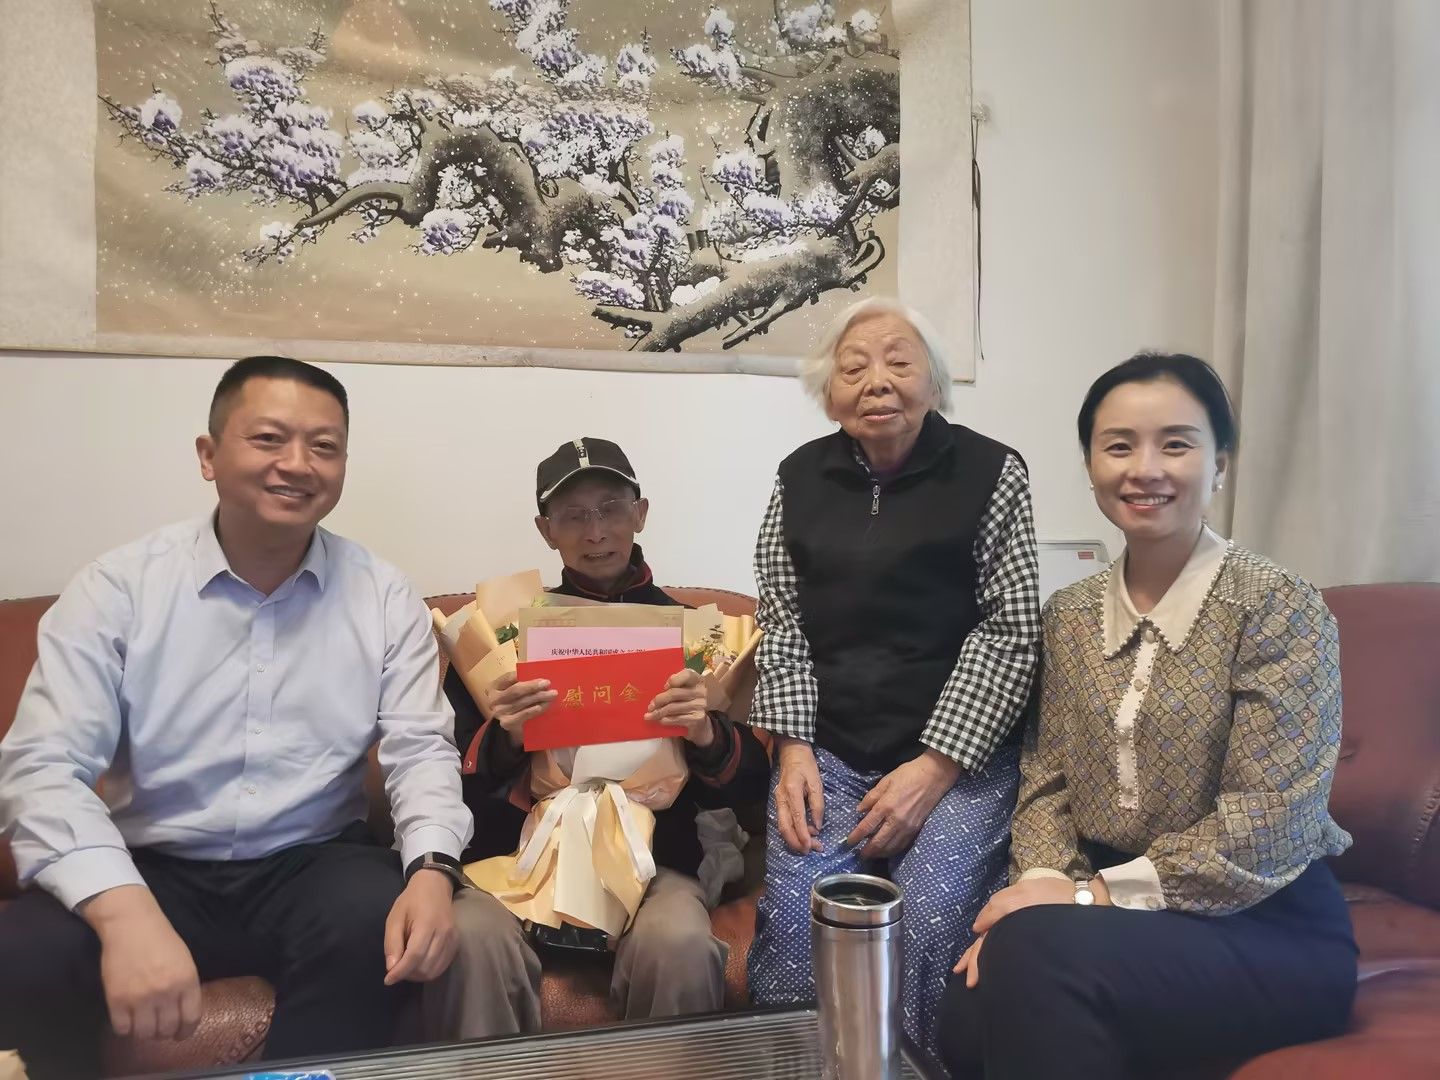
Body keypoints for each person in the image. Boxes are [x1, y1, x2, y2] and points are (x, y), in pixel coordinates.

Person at [0, 356, 473, 1079]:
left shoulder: (382, 595)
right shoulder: (117, 588)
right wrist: (123, 912)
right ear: (208, 455)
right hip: (152, 864)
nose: (298, 464)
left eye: (324, 446)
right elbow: (43, 767)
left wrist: (433, 870)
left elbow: (421, 750)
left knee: (370, 920)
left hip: (311, 861)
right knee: (27, 953)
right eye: (269, 439)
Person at [938, 353, 1357, 1078]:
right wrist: (1041, 887)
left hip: (1266, 921)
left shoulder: (1277, 606)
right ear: (1091, 465)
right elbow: (1047, 782)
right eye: (1119, 445)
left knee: (1035, 965)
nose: (1145, 469)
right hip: (1113, 919)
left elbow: (1268, 824)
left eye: (1176, 444)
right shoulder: (1069, 614)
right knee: (964, 1014)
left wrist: (1082, 899)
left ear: (1219, 464)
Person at [745, 298, 1041, 1056]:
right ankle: (794, 1069)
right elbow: (782, 620)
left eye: (899, 363)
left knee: (931, 918)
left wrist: (935, 767)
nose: (877, 381)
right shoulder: (798, 478)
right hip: (831, 750)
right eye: (854, 368)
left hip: (955, 758)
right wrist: (793, 751)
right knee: (798, 920)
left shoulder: (993, 472)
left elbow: (1010, 631)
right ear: (829, 395)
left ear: (934, 384)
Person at [422, 437, 771, 1039]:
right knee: (471, 937)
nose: (596, 531)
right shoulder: (500, 634)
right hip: (517, 862)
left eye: (611, 508)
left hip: (655, 864)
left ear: (641, 513)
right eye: (573, 515)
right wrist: (508, 736)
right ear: (545, 530)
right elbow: (444, 778)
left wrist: (704, 731)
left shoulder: (700, 636)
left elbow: (751, 792)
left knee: (681, 943)